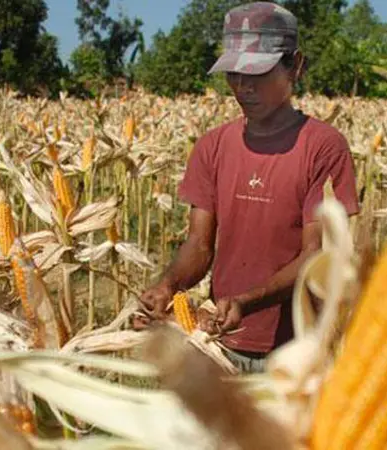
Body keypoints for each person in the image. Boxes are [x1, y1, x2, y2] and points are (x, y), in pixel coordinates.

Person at [135, 1, 359, 373]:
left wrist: (247, 301)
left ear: (296, 66)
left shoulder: (323, 147)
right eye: (234, 73)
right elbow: (199, 244)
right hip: (218, 343)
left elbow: (316, 254)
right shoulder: (213, 146)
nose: (243, 86)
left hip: (297, 352)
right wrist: (168, 285)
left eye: (257, 73)